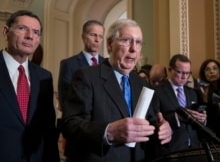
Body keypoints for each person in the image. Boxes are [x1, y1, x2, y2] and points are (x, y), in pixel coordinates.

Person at [61, 19, 172, 162]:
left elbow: (150, 124)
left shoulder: (142, 84)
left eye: (138, 42)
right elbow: (71, 125)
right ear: (109, 44)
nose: (133, 49)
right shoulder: (86, 76)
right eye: (126, 40)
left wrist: (163, 129)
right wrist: (108, 133)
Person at [0, 10, 59, 162]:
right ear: (6, 31)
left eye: (36, 32)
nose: (30, 36)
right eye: (22, 28)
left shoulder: (44, 76)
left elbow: (48, 129)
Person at [58, 20, 105, 161]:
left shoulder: (107, 64)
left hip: (102, 134)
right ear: (83, 36)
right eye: (93, 35)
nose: (97, 40)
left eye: (100, 36)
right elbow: (66, 98)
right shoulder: (69, 64)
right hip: (80, 133)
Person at [152, 54, 207, 155]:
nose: (184, 77)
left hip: (193, 149)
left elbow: (196, 122)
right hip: (171, 150)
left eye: (187, 73)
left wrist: (202, 119)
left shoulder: (192, 93)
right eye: (180, 72)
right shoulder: (157, 92)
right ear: (170, 70)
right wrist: (176, 117)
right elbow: (153, 120)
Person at [198, 59, 220, 135]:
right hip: (209, 130)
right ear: (204, 73)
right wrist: (204, 98)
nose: (211, 72)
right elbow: (201, 113)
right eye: (207, 69)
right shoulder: (200, 90)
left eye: (215, 68)